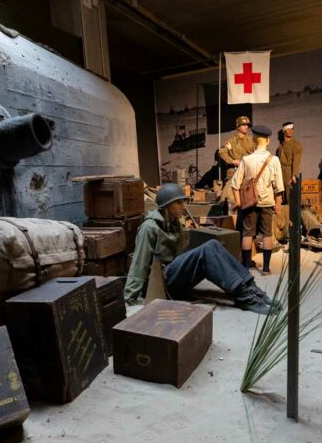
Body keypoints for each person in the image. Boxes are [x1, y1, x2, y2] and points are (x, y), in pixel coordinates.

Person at [124, 183, 273, 314]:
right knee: (207, 250)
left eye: (183, 202)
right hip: (161, 284)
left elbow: (182, 251)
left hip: (173, 274)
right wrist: (129, 296)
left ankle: (251, 288)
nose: (183, 206)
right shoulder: (149, 227)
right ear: (167, 205)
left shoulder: (175, 224)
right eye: (178, 203)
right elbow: (139, 262)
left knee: (213, 244)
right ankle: (244, 297)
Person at [230, 124, 285, 275]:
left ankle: (246, 268)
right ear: (267, 140)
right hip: (267, 202)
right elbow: (278, 186)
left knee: (247, 234)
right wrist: (278, 205)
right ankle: (266, 269)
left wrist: (239, 202)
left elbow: (235, 183)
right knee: (267, 234)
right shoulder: (273, 160)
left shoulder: (246, 160)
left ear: (254, 139)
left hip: (249, 203)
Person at [276, 121, 302, 195]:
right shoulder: (280, 146)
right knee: (281, 194)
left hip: (289, 172)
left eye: (292, 129)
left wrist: (293, 175)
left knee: (289, 194)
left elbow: (296, 161)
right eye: (288, 129)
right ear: (284, 131)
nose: (291, 131)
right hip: (280, 172)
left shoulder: (296, 145)